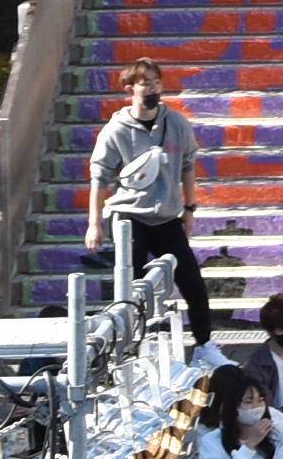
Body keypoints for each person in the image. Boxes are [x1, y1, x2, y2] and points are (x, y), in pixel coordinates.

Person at [85, 67, 212, 336]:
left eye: (156, 83)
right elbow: (99, 177)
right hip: (129, 217)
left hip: (166, 216)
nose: (153, 88)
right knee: (132, 288)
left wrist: (190, 208)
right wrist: (94, 223)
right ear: (130, 89)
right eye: (146, 84)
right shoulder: (115, 130)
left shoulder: (176, 123)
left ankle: (204, 344)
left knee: (193, 283)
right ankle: (132, 345)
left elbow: (188, 165)